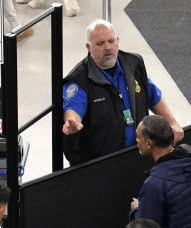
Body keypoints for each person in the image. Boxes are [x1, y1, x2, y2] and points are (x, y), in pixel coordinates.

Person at [62, 20, 184, 166]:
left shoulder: (133, 64)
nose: (107, 47)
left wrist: (172, 123)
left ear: (117, 40)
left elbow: (152, 94)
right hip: (101, 165)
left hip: (138, 155)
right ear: (89, 47)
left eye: (111, 41)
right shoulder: (79, 79)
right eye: (100, 44)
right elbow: (73, 108)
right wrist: (73, 123)